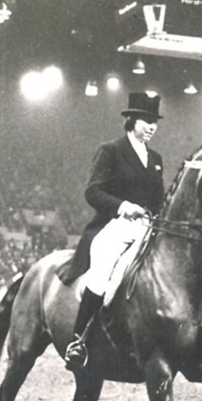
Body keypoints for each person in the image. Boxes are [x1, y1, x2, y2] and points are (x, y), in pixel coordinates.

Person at [61, 92, 165, 370]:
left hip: (148, 228)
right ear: (131, 120)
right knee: (103, 273)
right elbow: (92, 192)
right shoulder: (111, 150)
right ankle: (78, 341)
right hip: (115, 225)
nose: (152, 126)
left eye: (155, 121)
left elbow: (159, 200)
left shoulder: (156, 158)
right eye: (146, 120)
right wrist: (123, 206)